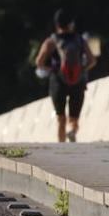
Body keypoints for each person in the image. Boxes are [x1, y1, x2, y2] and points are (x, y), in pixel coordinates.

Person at [34, 9, 97, 142]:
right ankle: (72, 130)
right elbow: (92, 60)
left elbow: (39, 62)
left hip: (57, 81)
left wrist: (52, 69)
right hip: (78, 80)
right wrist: (82, 69)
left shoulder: (52, 41)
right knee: (73, 118)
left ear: (57, 24)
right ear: (71, 24)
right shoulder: (80, 39)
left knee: (60, 118)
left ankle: (61, 147)